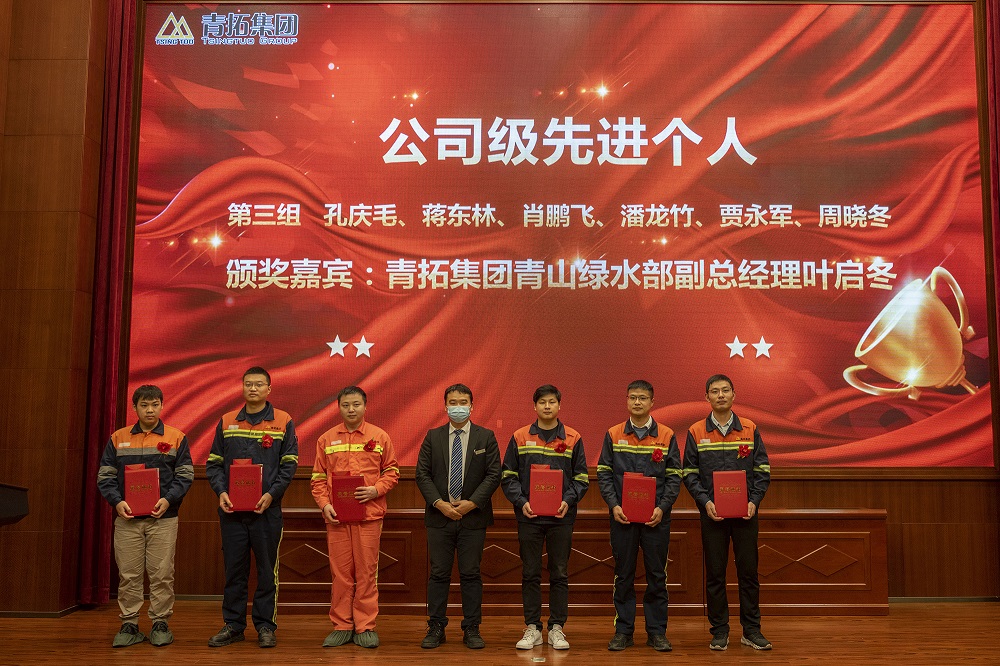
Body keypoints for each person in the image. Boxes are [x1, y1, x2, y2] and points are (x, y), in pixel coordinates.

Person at [205, 366, 298, 649]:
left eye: (259, 384)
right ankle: (233, 626)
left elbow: (289, 464)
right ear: (242, 387)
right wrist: (221, 491)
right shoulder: (226, 421)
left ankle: (266, 626)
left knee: (267, 572)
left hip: (267, 511)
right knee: (234, 571)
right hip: (232, 512)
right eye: (248, 384)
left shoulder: (283, 420)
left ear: (269, 389)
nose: (253, 388)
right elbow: (214, 463)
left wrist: (271, 495)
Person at [97, 385, 194, 648]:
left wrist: (168, 499)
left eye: (154, 405)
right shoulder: (118, 438)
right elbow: (105, 476)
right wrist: (117, 502)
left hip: (164, 519)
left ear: (162, 406)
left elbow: (185, 475)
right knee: (129, 574)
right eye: (144, 405)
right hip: (127, 519)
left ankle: (160, 622)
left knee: (162, 574)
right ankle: (129, 623)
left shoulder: (176, 437)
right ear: (134, 407)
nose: (150, 410)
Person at [683, 374, 772, 651]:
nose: (720, 395)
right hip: (713, 515)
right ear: (706, 397)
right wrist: (705, 502)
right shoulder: (696, 431)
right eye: (714, 391)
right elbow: (689, 473)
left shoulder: (750, 428)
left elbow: (762, 470)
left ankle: (751, 630)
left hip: (746, 514)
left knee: (748, 573)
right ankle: (719, 631)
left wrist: (754, 501)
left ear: (734, 394)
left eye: (725, 390)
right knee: (715, 574)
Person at [501, 384, 589, 651]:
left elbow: (581, 478)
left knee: (559, 572)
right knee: (530, 572)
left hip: (561, 517)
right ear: (535, 406)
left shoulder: (573, 437)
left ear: (559, 405)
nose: (547, 406)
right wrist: (522, 502)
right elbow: (508, 476)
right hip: (529, 516)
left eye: (552, 402)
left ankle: (557, 628)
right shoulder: (519, 437)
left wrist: (567, 501)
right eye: (542, 402)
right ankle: (532, 627)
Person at [596, 379, 682, 652]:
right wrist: (613, 505)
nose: (637, 402)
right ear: (626, 400)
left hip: (656, 518)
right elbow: (603, 472)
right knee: (623, 575)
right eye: (632, 397)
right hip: (622, 517)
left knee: (657, 575)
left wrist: (662, 507)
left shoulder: (666, 435)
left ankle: (657, 632)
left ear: (652, 402)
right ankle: (624, 631)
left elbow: (674, 475)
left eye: (642, 398)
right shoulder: (613, 434)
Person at [311, 386, 400, 648]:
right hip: (337, 518)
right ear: (339, 407)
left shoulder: (379, 436)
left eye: (356, 404)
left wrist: (375, 490)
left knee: (366, 573)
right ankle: (342, 625)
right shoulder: (326, 439)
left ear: (365, 406)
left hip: (369, 517)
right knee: (340, 574)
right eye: (346, 405)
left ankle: (365, 626)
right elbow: (317, 479)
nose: (351, 409)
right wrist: (324, 505)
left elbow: (392, 472)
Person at [414, 384, 501, 650]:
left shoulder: (486, 437)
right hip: (439, 516)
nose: (458, 407)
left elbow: (493, 475)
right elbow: (422, 474)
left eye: (463, 402)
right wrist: (440, 504)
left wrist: (471, 504)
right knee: (438, 573)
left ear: (472, 406)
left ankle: (472, 628)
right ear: (445, 406)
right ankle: (436, 627)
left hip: (473, 518)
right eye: (453, 402)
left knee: (471, 574)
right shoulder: (433, 436)